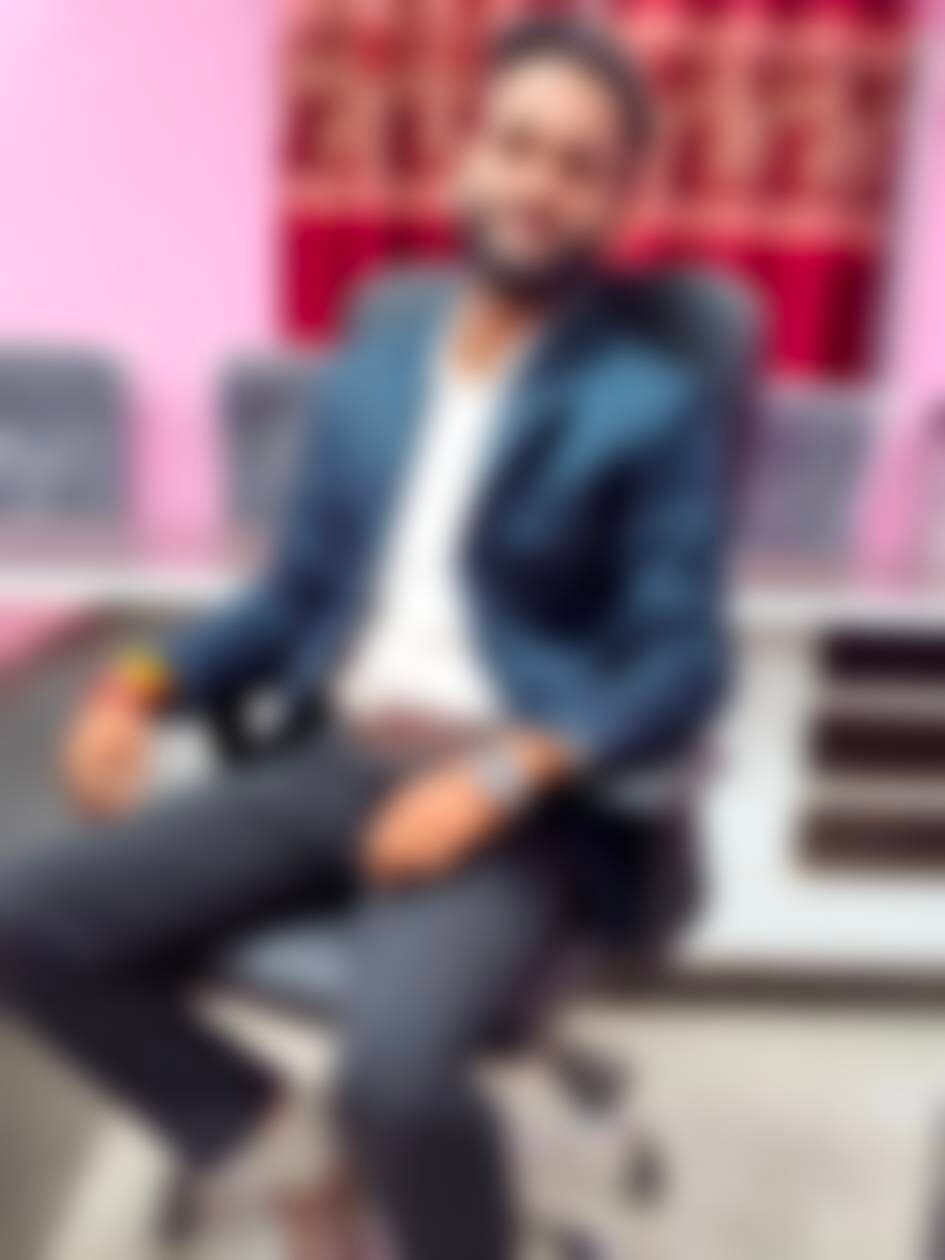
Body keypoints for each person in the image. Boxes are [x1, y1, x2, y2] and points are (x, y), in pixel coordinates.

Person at [0, 17, 728, 1260]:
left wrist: (501, 774)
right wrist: (137, 684)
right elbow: (294, 598)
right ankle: (295, 1163)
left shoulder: (652, 404)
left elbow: (679, 659)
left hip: (511, 800)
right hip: (339, 759)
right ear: (468, 157)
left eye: (579, 165)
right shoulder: (374, 375)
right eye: (518, 144)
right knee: (27, 918)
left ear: (616, 202)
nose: (539, 183)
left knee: (395, 1076)